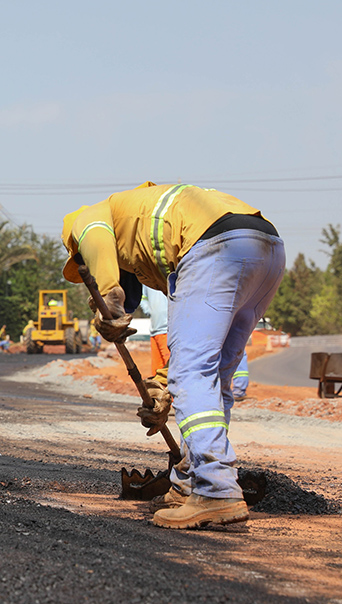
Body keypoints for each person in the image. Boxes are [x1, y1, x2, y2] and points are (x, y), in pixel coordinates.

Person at [62, 182, 284, 529]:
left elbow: (93, 235)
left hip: (217, 245)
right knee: (214, 377)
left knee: (194, 374)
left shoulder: (89, 218)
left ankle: (215, 491)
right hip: (265, 248)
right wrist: (163, 390)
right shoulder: (153, 243)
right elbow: (192, 343)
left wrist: (109, 297)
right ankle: (189, 481)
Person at [144, 287, 170, 379]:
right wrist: (149, 311)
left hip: (167, 329)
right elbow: (143, 297)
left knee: (170, 370)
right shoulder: (145, 277)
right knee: (157, 371)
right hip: (155, 329)